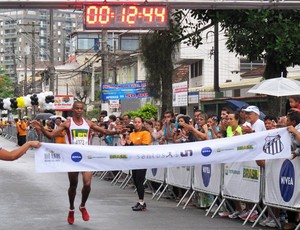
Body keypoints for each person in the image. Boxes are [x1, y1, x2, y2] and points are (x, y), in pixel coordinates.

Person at [31, 101, 123, 225]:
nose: (79, 110)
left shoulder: (88, 123)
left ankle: (83, 206)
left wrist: (117, 132)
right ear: (73, 110)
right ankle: (71, 208)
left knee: (87, 184)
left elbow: (105, 132)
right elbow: (51, 135)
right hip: (73, 158)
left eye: (81, 109)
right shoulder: (68, 124)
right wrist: (41, 127)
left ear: (83, 110)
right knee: (73, 185)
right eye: (77, 108)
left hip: (86, 158)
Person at [121, 116, 151, 211]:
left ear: (142, 123)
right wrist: (124, 140)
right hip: (134, 161)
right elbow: (128, 146)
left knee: (140, 180)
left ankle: (141, 201)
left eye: (139, 122)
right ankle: (140, 201)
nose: (137, 124)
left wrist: (131, 144)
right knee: (135, 181)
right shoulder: (132, 134)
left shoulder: (145, 133)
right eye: (135, 122)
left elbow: (144, 146)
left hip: (142, 160)